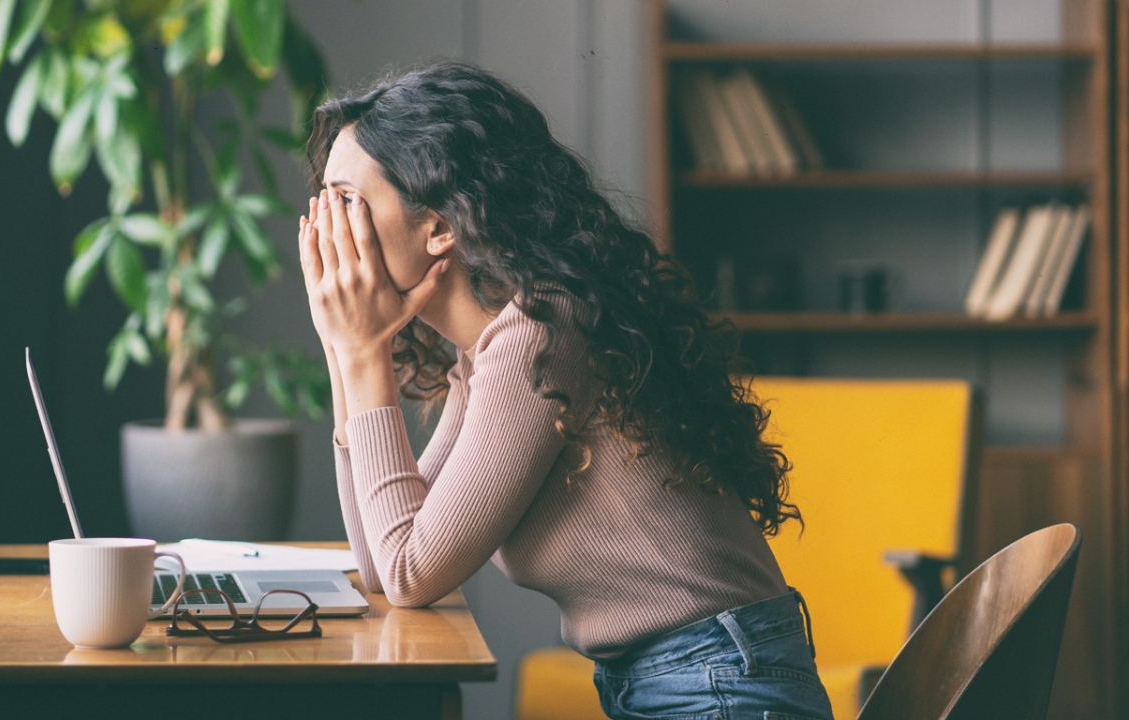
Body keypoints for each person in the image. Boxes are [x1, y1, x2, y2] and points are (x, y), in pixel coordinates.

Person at [297, 60, 834, 720]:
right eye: (323, 200)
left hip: (719, 686)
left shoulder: (543, 332)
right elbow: (385, 563)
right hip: (684, 680)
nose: (324, 228)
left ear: (439, 226)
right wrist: (346, 348)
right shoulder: (492, 350)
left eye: (347, 200)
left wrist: (360, 353)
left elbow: (409, 571)